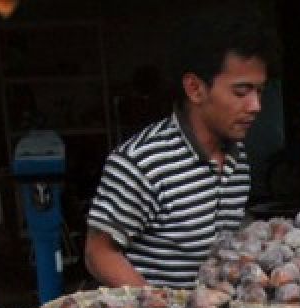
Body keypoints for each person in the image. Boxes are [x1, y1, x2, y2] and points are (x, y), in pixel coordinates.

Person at [84, 8, 278, 289]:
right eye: (241, 92)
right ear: (195, 88)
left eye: (259, 91)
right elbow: (97, 253)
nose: (255, 106)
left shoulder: (239, 159)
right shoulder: (141, 162)